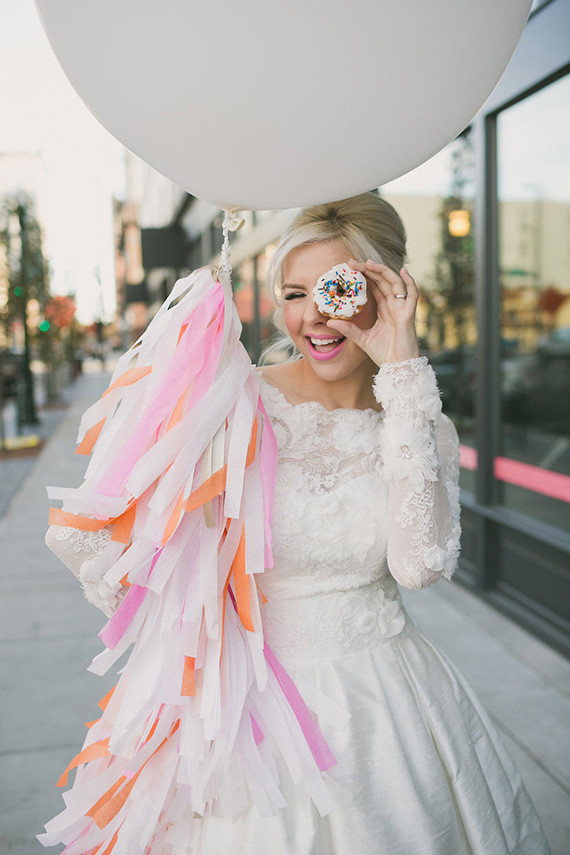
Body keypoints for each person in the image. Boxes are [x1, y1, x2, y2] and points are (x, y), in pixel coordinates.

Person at [41, 193, 551, 854]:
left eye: (338, 288)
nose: (313, 314)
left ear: (390, 288)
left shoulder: (420, 420)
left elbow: (419, 564)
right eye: (293, 291)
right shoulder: (234, 404)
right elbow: (92, 526)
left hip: (385, 702)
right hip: (250, 714)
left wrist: (402, 373)